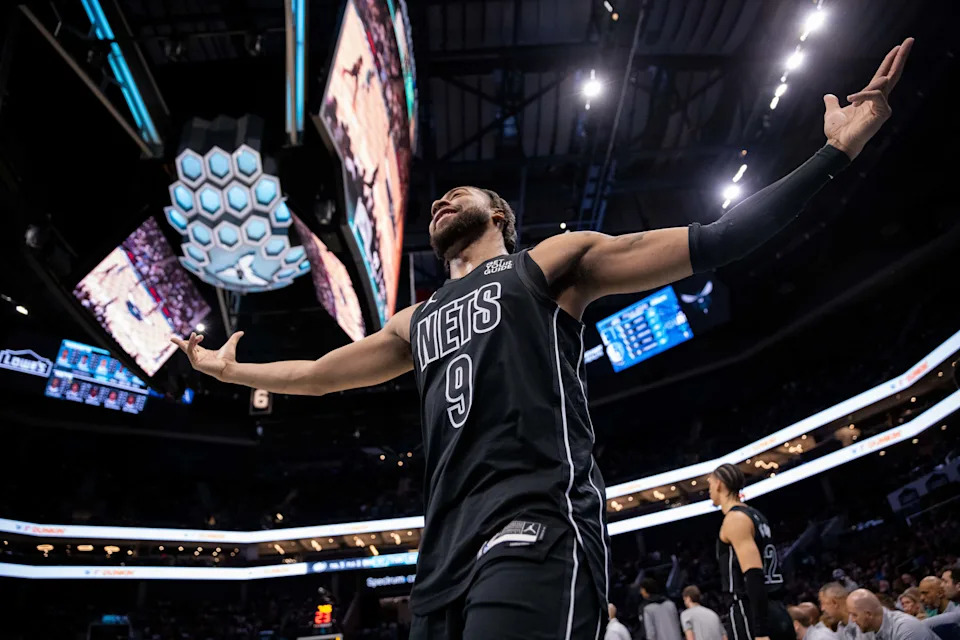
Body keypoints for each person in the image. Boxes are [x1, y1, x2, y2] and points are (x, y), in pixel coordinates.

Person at [172, 38, 914, 640]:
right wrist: (231, 372)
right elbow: (322, 372)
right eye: (437, 199)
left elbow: (714, 240)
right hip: (441, 553)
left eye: (460, 194)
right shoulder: (415, 321)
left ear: (501, 216)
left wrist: (834, 155)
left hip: (536, 521)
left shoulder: (552, 265)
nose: (440, 199)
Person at [708, 463, 794, 640]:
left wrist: (760, 631)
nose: (708, 490)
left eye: (709, 484)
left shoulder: (735, 519)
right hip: (776, 607)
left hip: (749, 611)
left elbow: (753, 573)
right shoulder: (755, 515)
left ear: (719, 484)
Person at [847, 589, 938, 640]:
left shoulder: (906, 628)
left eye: (854, 615)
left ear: (869, 615)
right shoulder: (869, 630)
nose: (852, 620)